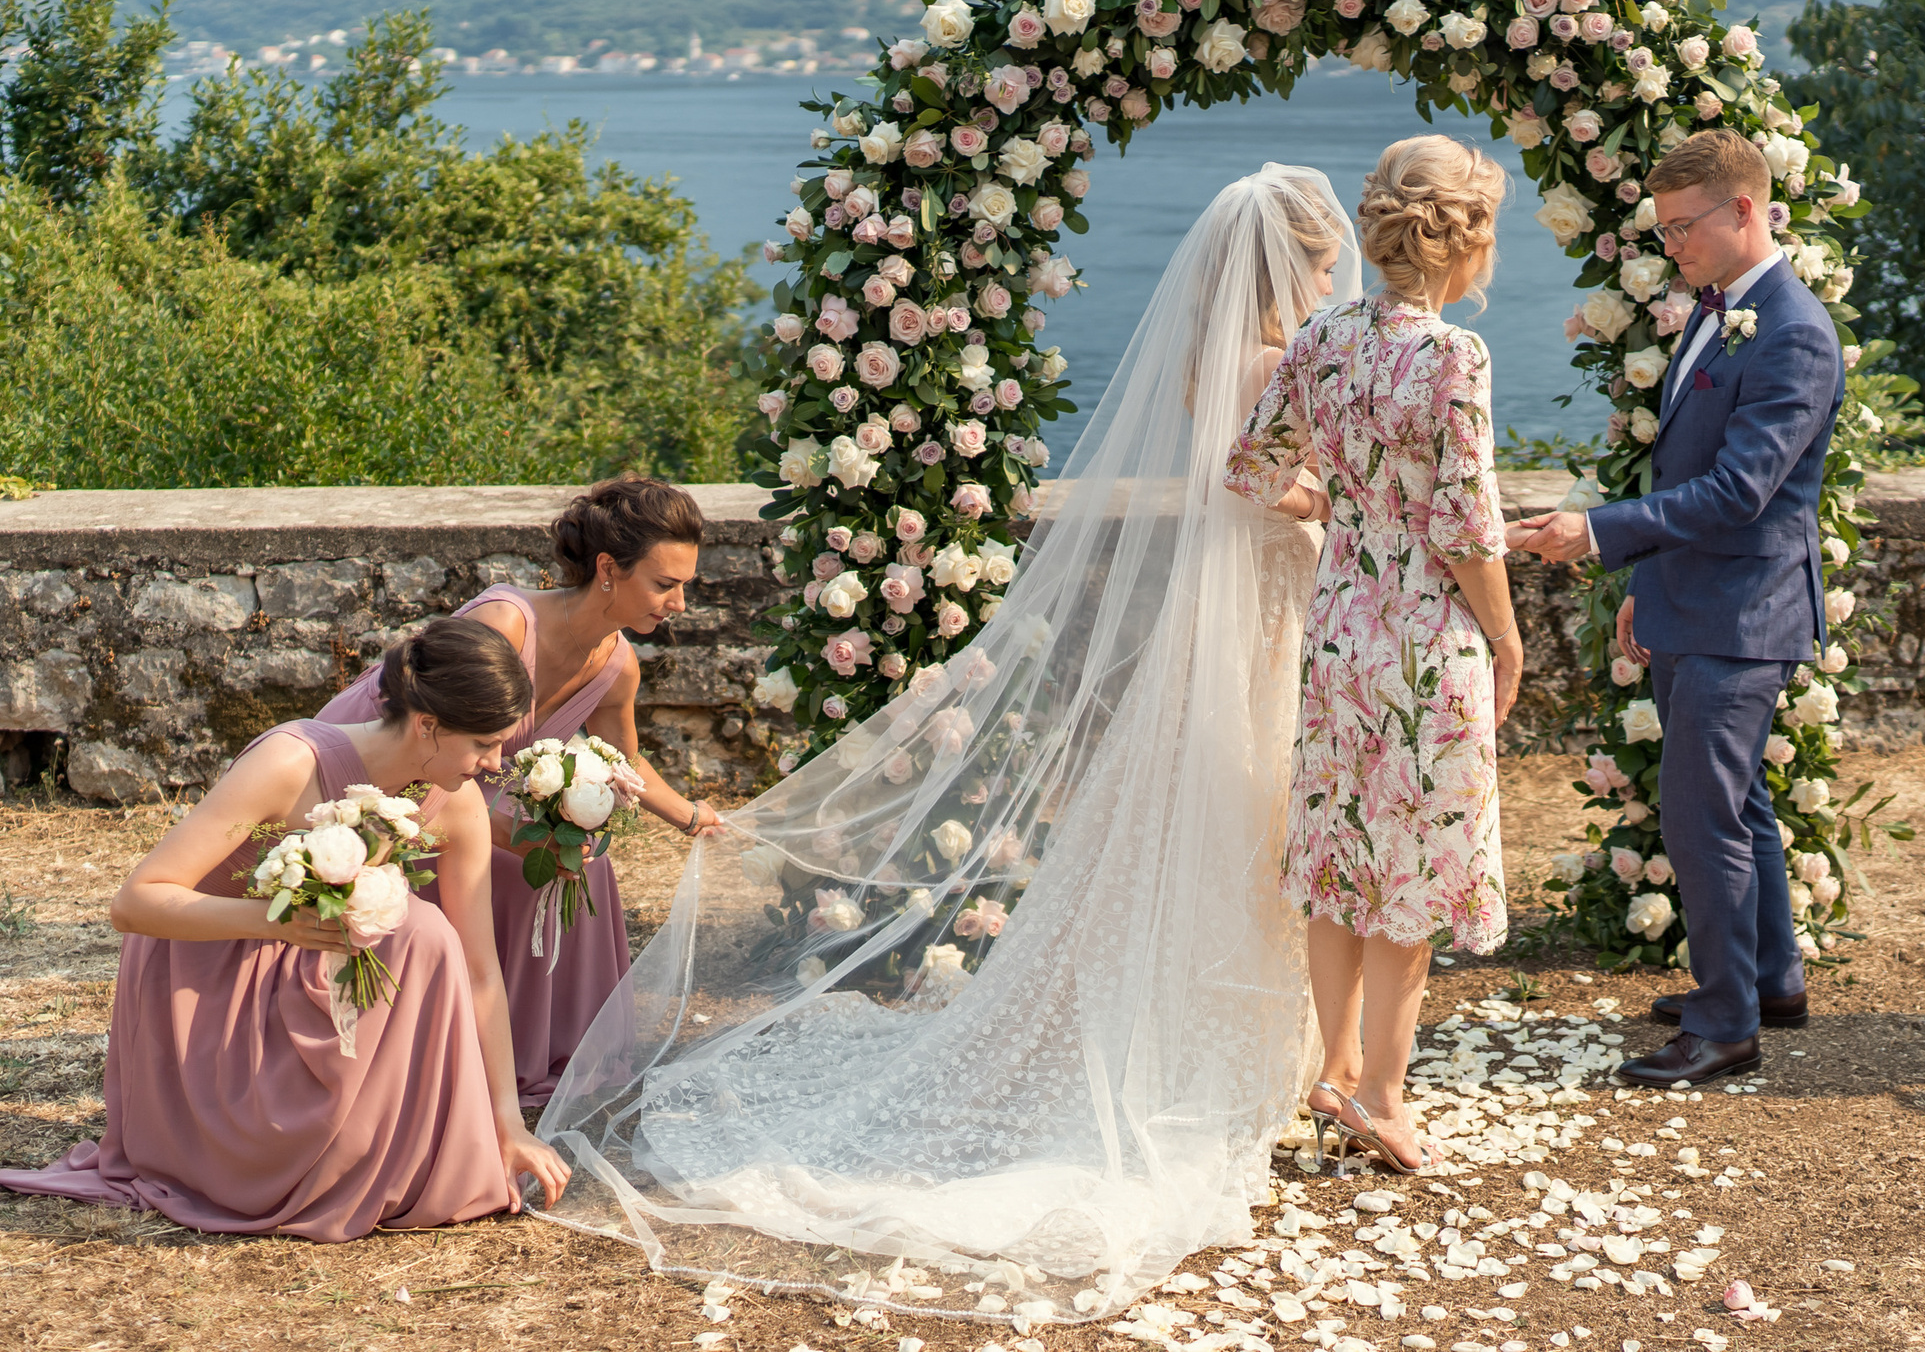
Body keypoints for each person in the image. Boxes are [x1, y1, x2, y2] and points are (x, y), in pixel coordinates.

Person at [533, 164, 1355, 1322]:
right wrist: (1338, 500)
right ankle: (1203, 1063)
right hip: (1260, 618)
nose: (1330, 283)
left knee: (1211, 825)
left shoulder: (1206, 358)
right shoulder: (1273, 362)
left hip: (1235, 619)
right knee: (1243, 823)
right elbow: (1262, 487)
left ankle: (1218, 1051)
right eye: (1321, 266)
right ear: (1288, 266)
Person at [0, 619, 572, 1239]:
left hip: (312, 973)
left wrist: (508, 1123)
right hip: (208, 981)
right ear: (428, 724)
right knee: (419, 927)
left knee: (426, 934)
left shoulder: (456, 803)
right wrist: (280, 923)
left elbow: (481, 971)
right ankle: (260, 1143)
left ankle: (365, 1140)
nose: (492, 765)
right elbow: (135, 904)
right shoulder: (290, 763)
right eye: (484, 744)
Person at [1510, 128, 1843, 1089]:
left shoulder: (1791, 330)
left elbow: (1739, 491)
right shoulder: (1722, 307)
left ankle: (1724, 1023)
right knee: (1740, 801)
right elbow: (1685, 469)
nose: (1672, 246)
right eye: (1663, 230)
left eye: (1683, 226)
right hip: (1699, 598)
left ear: (1745, 209)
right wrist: (1645, 587)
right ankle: (1769, 982)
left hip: (1744, 611)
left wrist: (1596, 533)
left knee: (1701, 814)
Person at [1227, 134, 1521, 1172]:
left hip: (1341, 629)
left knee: (1340, 854)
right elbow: (1468, 526)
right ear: (1463, 244)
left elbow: (1252, 469)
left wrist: (1345, 508)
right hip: (1424, 643)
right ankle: (1387, 1099)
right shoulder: (1452, 355)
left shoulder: (1321, 338)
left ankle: (1338, 1068)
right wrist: (1506, 634)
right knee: (1415, 870)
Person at [319, 475, 726, 1107]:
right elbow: (432, 736)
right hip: (389, 779)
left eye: (684, 588)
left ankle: (542, 1051)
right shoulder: (507, 621)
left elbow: (628, 760)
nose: (678, 604)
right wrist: (509, 833)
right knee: (520, 863)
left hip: (464, 786)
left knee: (585, 864)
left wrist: (693, 816)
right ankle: (457, 1050)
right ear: (608, 569)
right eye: (665, 584)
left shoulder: (619, 667)